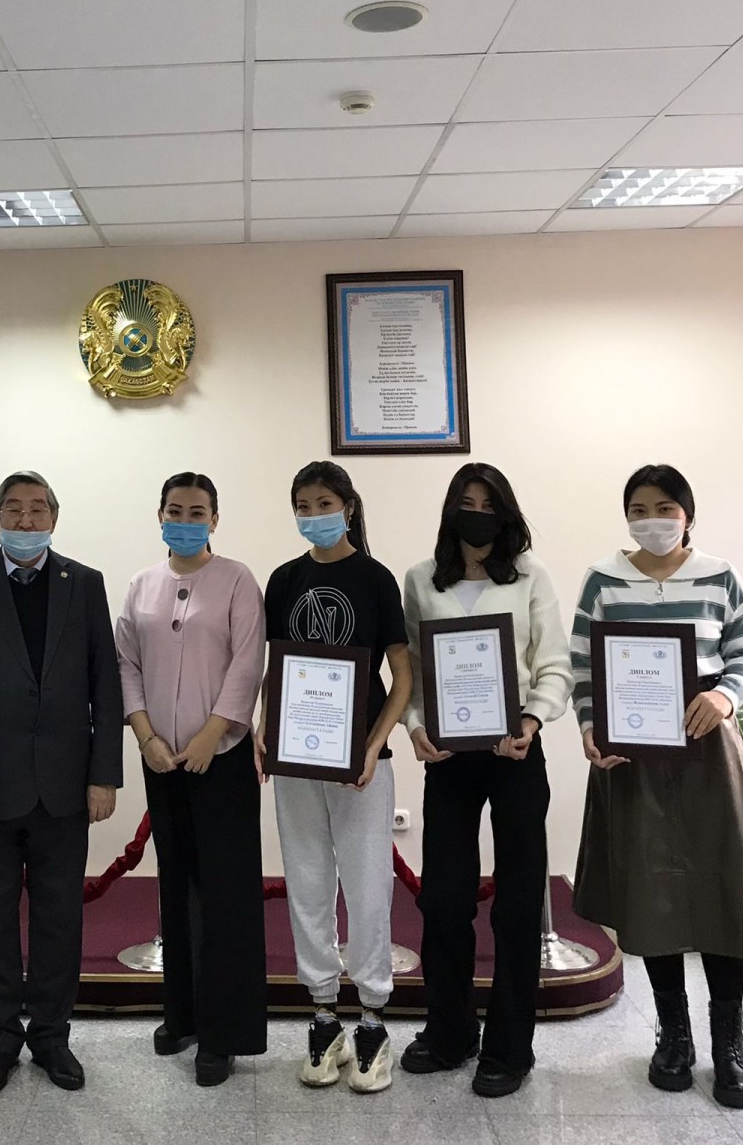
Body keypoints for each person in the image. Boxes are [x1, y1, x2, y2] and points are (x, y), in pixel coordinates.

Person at [0, 470, 124, 1098]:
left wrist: (104, 775)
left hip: (66, 786)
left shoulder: (85, 584)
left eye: (38, 509)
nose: (26, 520)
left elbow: (105, 684)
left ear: (54, 518)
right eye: (13, 510)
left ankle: (50, 1035)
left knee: (59, 918)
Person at [572, 464, 743, 1110]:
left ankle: (729, 1043)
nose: (652, 520)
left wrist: (726, 698)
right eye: (639, 509)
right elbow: (583, 664)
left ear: (688, 515)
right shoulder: (603, 580)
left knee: (724, 886)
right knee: (650, 892)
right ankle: (673, 1035)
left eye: (665, 508)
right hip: (633, 754)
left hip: (708, 749)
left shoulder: (719, 575)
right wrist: (591, 727)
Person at [398, 463, 572, 1098]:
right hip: (449, 757)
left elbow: (553, 663)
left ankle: (509, 1047)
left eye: (487, 503)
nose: (476, 513)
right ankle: (449, 1032)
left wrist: (530, 719)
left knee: (518, 903)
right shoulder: (421, 579)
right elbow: (412, 671)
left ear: (505, 512)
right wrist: (416, 726)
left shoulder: (531, 575)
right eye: (465, 502)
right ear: (450, 510)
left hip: (516, 751)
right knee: (444, 900)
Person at [255, 460, 411, 1094]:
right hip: (296, 758)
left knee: (369, 888)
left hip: (361, 765)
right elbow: (275, 667)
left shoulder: (375, 579)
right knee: (307, 883)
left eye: (324, 503)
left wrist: (373, 746)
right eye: (303, 505)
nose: (314, 514)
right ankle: (323, 1015)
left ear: (347, 507)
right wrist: (264, 729)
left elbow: (403, 677)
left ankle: (373, 1019)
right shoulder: (283, 579)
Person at [115, 472, 267, 1086]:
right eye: (174, 510)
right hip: (161, 759)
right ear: (160, 516)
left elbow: (248, 661)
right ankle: (181, 1014)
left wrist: (212, 735)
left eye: (196, 512)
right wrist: (145, 737)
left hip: (220, 759)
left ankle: (223, 1034)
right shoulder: (141, 585)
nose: (184, 520)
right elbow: (126, 664)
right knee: (174, 885)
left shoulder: (236, 579)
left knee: (225, 894)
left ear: (214, 520)